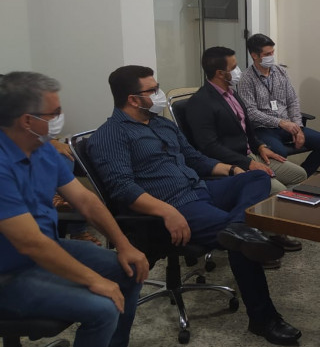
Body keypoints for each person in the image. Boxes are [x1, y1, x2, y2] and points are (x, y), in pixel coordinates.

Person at [87, 66, 301, 345]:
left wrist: (231, 170)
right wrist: (167, 211)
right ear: (133, 99)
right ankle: (263, 320)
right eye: (152, 90)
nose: (159, 94)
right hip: (173, 205)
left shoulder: (161, 124)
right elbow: (122, 188)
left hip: (201, 188)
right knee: (242, 243)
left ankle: (238, 227)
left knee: (257, 178)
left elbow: (194, 158)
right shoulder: (110, 135)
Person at [0, 71, 148, 347]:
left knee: (129, 269)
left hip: (45, 249)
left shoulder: (41, 148)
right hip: (7, 274)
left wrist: (123, 244)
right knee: (102, 308)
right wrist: (93, 280)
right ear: (27, 121)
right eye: (54, 113)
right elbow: (30, 243)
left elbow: (85, 200)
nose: (60, 118)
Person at [185, 46, 307, 196]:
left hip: (252, 154)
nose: (238, 71)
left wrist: (261, 146)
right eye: (233, 68)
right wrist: (248, 163)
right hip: (232, 162)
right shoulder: (201, 102)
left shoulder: (232, 93)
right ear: (220, 73)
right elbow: (210, 147)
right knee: (280, 190)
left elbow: (246, 130)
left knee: (300, 175)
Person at [237, 34, 320, 177]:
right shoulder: (246, 79)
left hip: (288, 125)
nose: (271, 56)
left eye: (272, 52)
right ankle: (284, 181)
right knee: (279, 152)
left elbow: (293, 101)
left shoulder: (281, 72)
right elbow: (250, 112)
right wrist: (280, 122)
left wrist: (298, 127)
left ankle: (302, 177)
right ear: (254, 56)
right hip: (263, 129)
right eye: (267, 54)